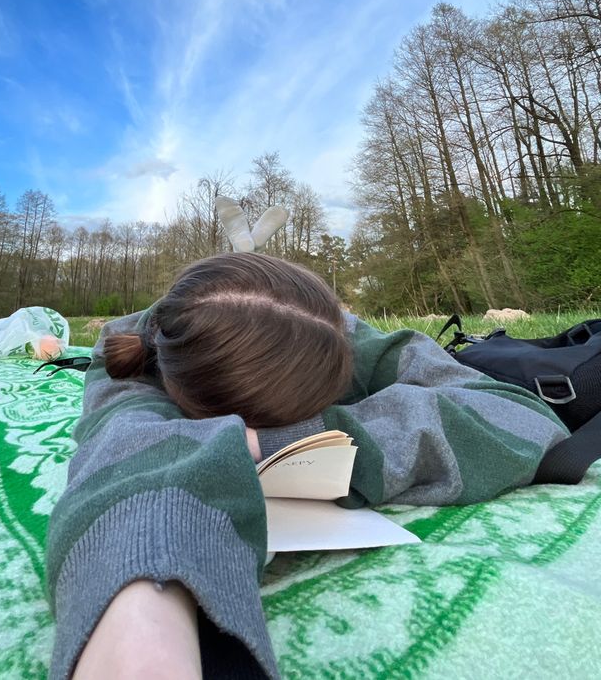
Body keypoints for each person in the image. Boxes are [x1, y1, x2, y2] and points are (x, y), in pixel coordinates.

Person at [46, 253, 569, 680]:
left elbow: (519, 415)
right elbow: (133, 455)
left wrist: (297, 437)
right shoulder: (130, 362)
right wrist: (140, 618)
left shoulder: (321, 325)